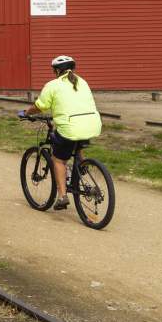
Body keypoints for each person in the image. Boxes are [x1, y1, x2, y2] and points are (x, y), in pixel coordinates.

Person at [20, 55, 102, 210]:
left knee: (58, 159)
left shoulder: (53, 85)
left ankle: (62, 196)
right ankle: (82, 163)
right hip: (92, 124)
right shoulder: (82, 81)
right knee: (76, 137)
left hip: (71, 127)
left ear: (57, 70)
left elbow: (41, 105)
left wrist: (27, 112)